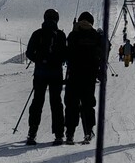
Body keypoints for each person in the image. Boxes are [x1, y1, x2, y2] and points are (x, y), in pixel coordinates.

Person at [24, 8, 68, 145]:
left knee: (37, 102)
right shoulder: (61, 35)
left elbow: (29, 53)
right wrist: (57, 61)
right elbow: (65, 54)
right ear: (57, 19)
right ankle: (59, 135)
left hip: (40, 73)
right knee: (56, 103)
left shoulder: (37, 33)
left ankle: (32, 133)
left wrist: (39, 60)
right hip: (56, 74)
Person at [65, 11, 105, 144]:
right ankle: (88, 131)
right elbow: (102, 53)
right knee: (88, 104)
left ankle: (70, 133)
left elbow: (67, 53)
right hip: (89, 76)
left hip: (74, 75)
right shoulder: (95, 35)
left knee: (72, 104)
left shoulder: (73, 35)